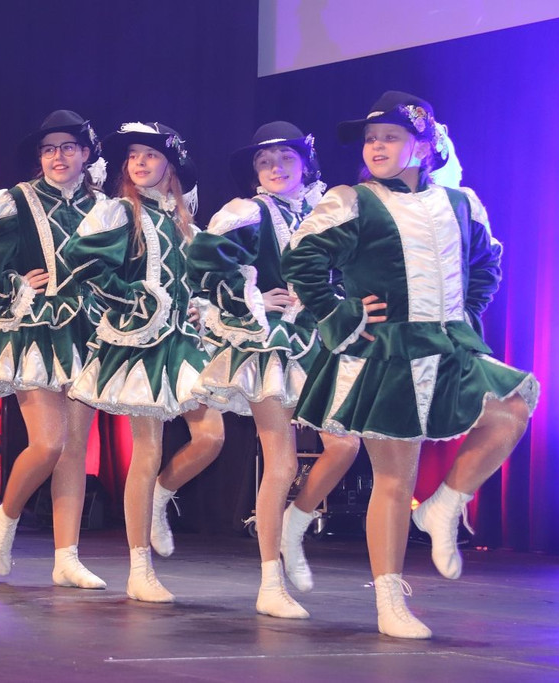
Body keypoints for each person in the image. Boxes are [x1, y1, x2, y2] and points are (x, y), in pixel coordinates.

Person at [281, 91, 538, 638]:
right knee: (395, 478)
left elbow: (486, 262)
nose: (376, 146)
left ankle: (445, 504)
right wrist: (342, 313)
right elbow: (302, 259)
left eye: (390, 137)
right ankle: (389, 601)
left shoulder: (460, 202)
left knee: (512, 409)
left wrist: (465, 313)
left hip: (448, 347)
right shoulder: (354, 201)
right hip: (389, 351)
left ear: (422, 145)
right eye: (371, 139)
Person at [187, 122, 361, 618]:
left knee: (345, 445)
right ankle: (270, 581)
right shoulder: (248, 213)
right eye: (264, 162)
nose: (275, 168)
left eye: (285, 158)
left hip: (321, 341)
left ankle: (295, 523)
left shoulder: (328, 209)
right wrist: (252, 300)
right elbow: (203, 267)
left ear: (305, 163)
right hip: (270, 345)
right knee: (280, 463)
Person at [62, 122, 225, 603]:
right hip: (140, 345)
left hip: (184, 345)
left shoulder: (187, 226)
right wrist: (134, 299)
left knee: (211, 436)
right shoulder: (120, 212)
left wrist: (202, 307)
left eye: (150, 155)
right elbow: (81, 262)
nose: (139, 163)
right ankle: (139, 569)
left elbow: (202, 282)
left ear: (170, 165)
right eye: (133, 155)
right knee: (147, 450)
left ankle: (159, 496)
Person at [0, 110, 107, 589]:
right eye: (49, 149)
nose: (58, 156)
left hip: (87, 332)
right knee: (49, 443)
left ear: (85, 154)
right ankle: (8, 513)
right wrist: (12, 286)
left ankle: (67, 557)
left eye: (68, 147)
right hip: (35, 331)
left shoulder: (104, 207)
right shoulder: (17, 199)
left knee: (74, 451)